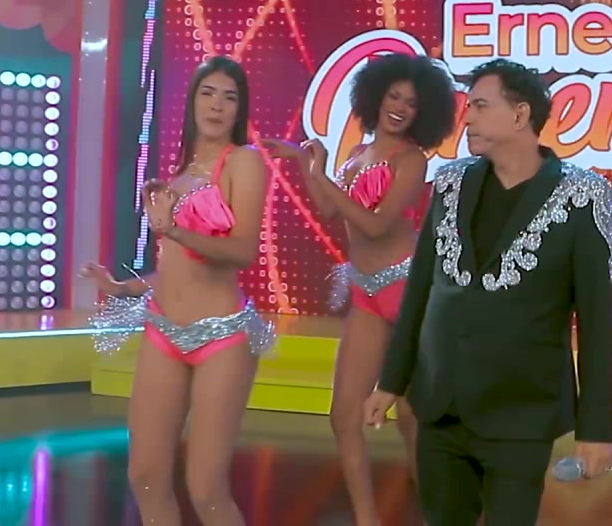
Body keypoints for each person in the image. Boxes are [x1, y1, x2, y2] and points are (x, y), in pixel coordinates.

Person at [362, 58, 612, 526]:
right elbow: (420, 291)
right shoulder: (451, 182)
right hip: (440, 406)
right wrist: (392, 381)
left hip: (520, 411)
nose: (468, 118)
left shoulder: (583, 196)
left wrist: (596, 430)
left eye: (480, 106)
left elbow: (597, 323)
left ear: (520, 115)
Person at [264, 53, 458, 526]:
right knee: (343, 416)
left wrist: (323, 178)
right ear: (375, 97)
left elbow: (375, 224)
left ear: (423, 113)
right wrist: (310, 163)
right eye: (394, 96)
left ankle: (437, 511)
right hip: (367, 293)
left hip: (408, 290)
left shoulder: (412, 160)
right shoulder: (356, 155)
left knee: (412, 417)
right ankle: (367, 518)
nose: (400, 108)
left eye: (411, 103)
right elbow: (329, 210)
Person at [85, 55, 274, 526]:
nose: (217, 106)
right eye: (207, 94)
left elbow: (243, 250)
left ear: (240, 109)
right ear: (191, 101)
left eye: (229, 98)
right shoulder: (181, 173)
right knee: (146, 476)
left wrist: (174, 229)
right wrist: (121, 287)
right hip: (163, 330)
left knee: (206, 487)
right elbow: (174, 268)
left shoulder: (244, 162)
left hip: (222, 335)